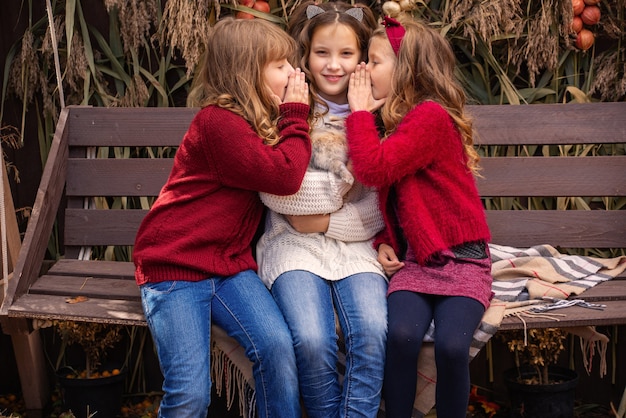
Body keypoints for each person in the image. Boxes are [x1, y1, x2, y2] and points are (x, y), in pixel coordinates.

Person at [132, 17, 311, 418]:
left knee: (276, 347)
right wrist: (296, 115)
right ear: (248, 72)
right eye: (281, 65)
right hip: (175, 267)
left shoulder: (253, 124)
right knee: (191, 394)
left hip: (228, 268)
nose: (293, 73)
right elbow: (285, 176)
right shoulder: (218, 124)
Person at [346, 16, 493, 418]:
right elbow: (395, 198)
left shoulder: (430, 117)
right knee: (402, 336)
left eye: (374, 61)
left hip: (463, 259)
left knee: (450, 345)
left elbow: (373, 169)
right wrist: (385, 241)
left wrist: (358, 114)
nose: (364, 70)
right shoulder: (401, 120)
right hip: (418, 262)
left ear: (406, 67)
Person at [255, 2, 387, 418]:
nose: (333, 66)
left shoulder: (379, 117)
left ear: (362, 59)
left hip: (358, 246)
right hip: (291, 244)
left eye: (346, 55)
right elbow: (279, 193)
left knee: (370, 331)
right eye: (322, 53)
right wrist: (342, 185)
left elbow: (379, 207)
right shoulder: (285, 108)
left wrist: (327, 219)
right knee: (312, 339)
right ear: (305, 56)